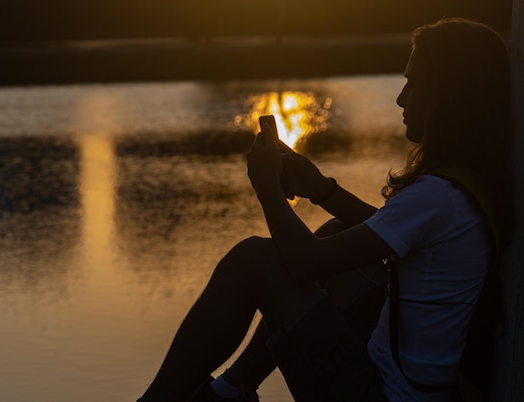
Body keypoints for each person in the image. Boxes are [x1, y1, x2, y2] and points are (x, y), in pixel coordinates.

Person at [137, 17, 512, 402]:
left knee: (252, 260)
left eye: (413, 85)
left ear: (447, 97)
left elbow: (304, 262)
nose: (401, 98)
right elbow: (390, 231)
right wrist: (321, 189)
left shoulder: (437, 195)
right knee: (337, 234)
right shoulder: (469, 181)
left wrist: (267, 188)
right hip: (412, 382)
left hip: (382, 394)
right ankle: (230, 390)